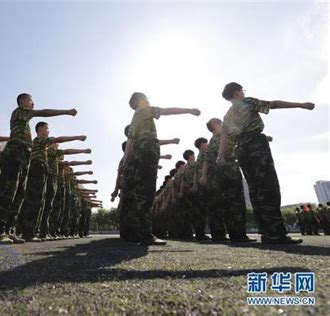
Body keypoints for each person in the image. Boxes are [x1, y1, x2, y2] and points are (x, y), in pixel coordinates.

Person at [217, 82, 314, 244]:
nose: (243, 92)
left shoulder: (227, 115)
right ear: (236, 92)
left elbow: (224, 137)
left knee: (255, 190)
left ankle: (267, 232)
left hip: (241, 149)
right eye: (242, 90)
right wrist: (300, 105)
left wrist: (220, 156)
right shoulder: (247, 102)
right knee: (268, 187)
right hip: (256, 145)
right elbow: (273, 104)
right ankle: (276, 234)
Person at [0, 93, 78, 244]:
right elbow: (43, 112)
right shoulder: (19, 112)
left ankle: (8, 230)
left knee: (19, 194)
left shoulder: (25, 122)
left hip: (24, 156)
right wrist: (66, 111)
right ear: (22, 101)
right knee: (8, 192)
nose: (33, 103)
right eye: (31, 100)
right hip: (14, 153)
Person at [120, 92, 201, 245]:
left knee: (137, 192)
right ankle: (145, 234)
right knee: (146, 191)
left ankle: (133, 232)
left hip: (137, 154)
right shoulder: (145, 110)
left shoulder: (135, 118)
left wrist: (126, 160)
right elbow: (167, 111)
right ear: (141, 100)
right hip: (148, 150)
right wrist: (189, 110)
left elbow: (130, 142)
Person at [16, 121, 88, 241]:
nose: (48, 131)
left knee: (41, 203)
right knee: (34, 201)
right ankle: (27, 232)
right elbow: (62, 143)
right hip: (37, 171)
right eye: (47, 128)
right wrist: (77, 137)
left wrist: (83, 151)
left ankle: (34, 232)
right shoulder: (39, 140)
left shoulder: (46, 148)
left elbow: (67, 152)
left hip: (43, 172)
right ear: (40, 129)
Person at [200, 118, 254, 242]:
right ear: (215, 125)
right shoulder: (225, 135)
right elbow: (207, 160)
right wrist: (204, 175)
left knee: (219, 204)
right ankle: (237, 234)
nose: (222, 125)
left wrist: (204, 175)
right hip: (228, 169)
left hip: (215, 175)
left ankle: (219, 235)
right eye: (219, 123)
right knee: (235, 202)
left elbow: (206, 160)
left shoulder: (211, 141)